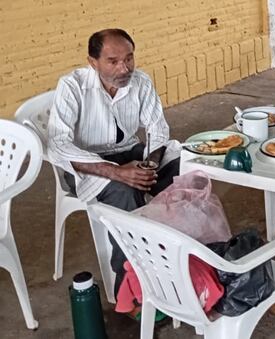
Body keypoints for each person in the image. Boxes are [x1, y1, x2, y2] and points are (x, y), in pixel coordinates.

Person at [48, 28, 180, 297]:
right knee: (125, 193)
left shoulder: (140, 81)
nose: (124, 68)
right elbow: (59, 145)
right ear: (92, 62)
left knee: (181, 173)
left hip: (127, 151)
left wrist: (149, 166)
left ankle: (179, 259)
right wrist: (118, 173)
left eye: (129, 58)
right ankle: (130, 288)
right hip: (84, 164)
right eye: (113, 61)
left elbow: (157, 128)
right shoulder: (72, 86)